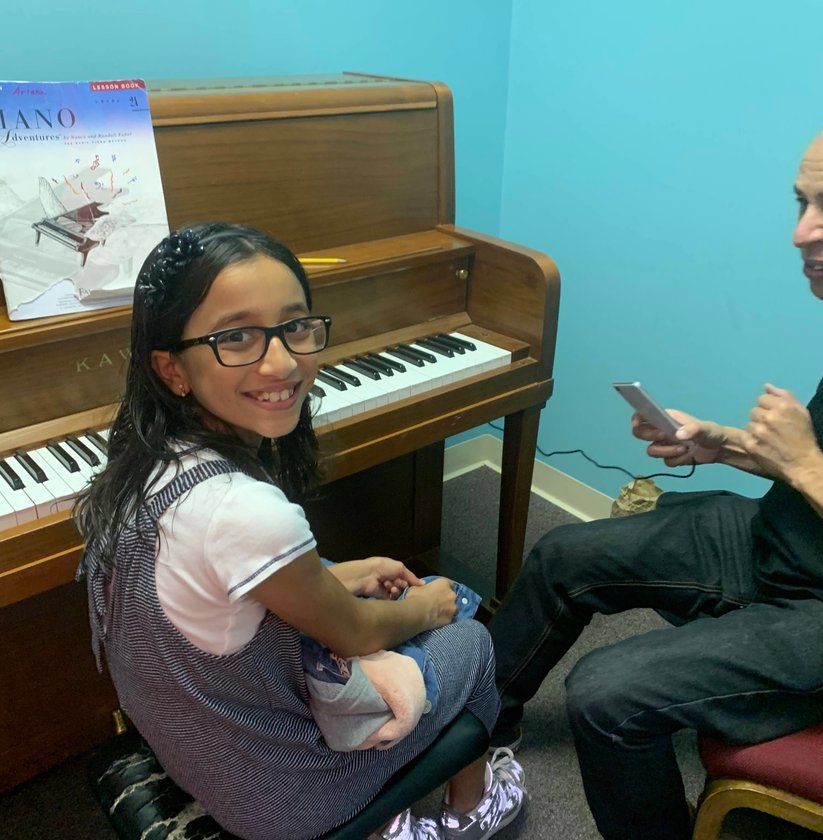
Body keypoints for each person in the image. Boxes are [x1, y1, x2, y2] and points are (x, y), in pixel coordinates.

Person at [74, 222, 526, 840]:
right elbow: (356, 631)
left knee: (358, 579)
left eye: (295, 327)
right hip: (279, 797)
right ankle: (469, 812)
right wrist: (429, 606)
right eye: (237, 337)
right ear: (171, 368)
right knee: (469, 637)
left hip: (194, 746)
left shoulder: (147, 462)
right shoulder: (245, 510)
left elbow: (216, 586)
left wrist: (340, 575)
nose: (282, 361)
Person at [486, 128, 823, 840]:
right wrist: (724, 445)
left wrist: (802, 464)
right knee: (565, 556)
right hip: (782, 536)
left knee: (608, 693)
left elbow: (809, 466)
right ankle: (478, 728)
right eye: (802, 203)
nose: (800, 232)